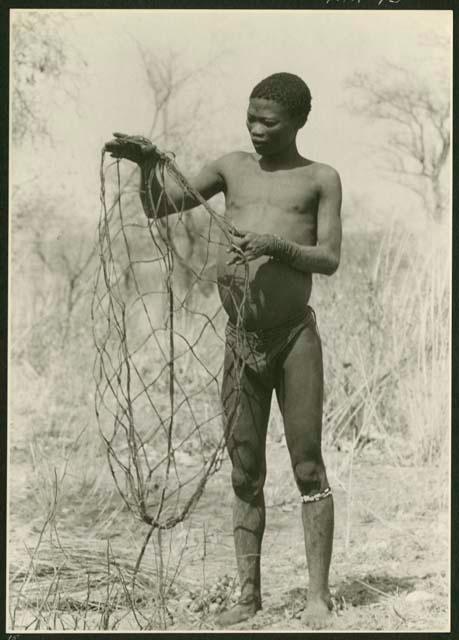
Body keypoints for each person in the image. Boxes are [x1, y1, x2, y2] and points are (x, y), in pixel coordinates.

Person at [105, 72, 342, 628]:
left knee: (307, 465)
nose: (256, 130)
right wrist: (146, 165)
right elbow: (162, 205)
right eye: (250, 119)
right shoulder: (231, 167)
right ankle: (247, 596)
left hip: (293, 340)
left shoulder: (320, 179)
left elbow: (329, 257)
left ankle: (317, 598)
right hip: (240, 341)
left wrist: (279, 247)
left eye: (270, 122)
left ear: (299, 122)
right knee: (244, 472)